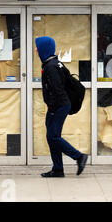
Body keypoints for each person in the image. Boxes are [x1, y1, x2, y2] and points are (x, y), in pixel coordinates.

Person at [35, 36, 88, 178]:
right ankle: (58, 169)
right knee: (52, 136)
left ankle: (79, 157)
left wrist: (52, 109)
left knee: (53, 137)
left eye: (37, 47)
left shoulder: (51, 67)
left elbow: (57, 90)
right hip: (59, 105)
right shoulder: (55, 63)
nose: (36, 50)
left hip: (58, 106)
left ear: (43, 49)